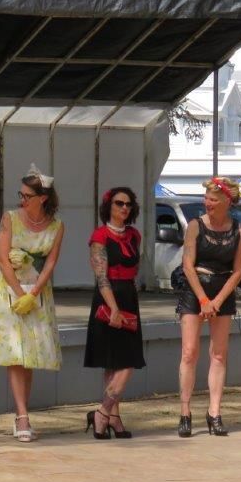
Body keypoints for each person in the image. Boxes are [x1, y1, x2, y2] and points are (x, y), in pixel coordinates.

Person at [0, 163, 65, 442]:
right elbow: (2, 257)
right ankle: (22, 415)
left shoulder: (57, 226)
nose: (22, 199)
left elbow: (50, 263)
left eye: (27, 195)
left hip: (37, 290)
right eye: (21, 194)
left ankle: (22, 411)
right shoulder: (10, 218)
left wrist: (34, 293)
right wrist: (18, 292)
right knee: (15, 352)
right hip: (9, 289)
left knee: (30, 354)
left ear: (43, 198)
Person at [176, 176, 241, 438]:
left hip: (223, 289)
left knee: (218, 354)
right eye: (206, 198)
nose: (208, 203)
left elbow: (238, 271)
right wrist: (204, 300)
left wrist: (217, 300)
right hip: (196, 289)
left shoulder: (238, 229)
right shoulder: (195, 226)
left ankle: (214, 412)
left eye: (213, 199)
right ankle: (185, 412)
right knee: (189, 352)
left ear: (227, 201)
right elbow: (187, 266)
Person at [83, 187, 145, 440]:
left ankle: (106, 414)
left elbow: (136, 268)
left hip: (129, 295)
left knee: (126, 360)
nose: (124, 208)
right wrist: (115, 309)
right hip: (109, 298)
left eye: (128, 204)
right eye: (119, 203)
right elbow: (101, 277)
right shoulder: (100, 236)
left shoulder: (134, 235)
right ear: (109, 206)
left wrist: (128, 303)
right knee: (115, 361)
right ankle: (106, 414)